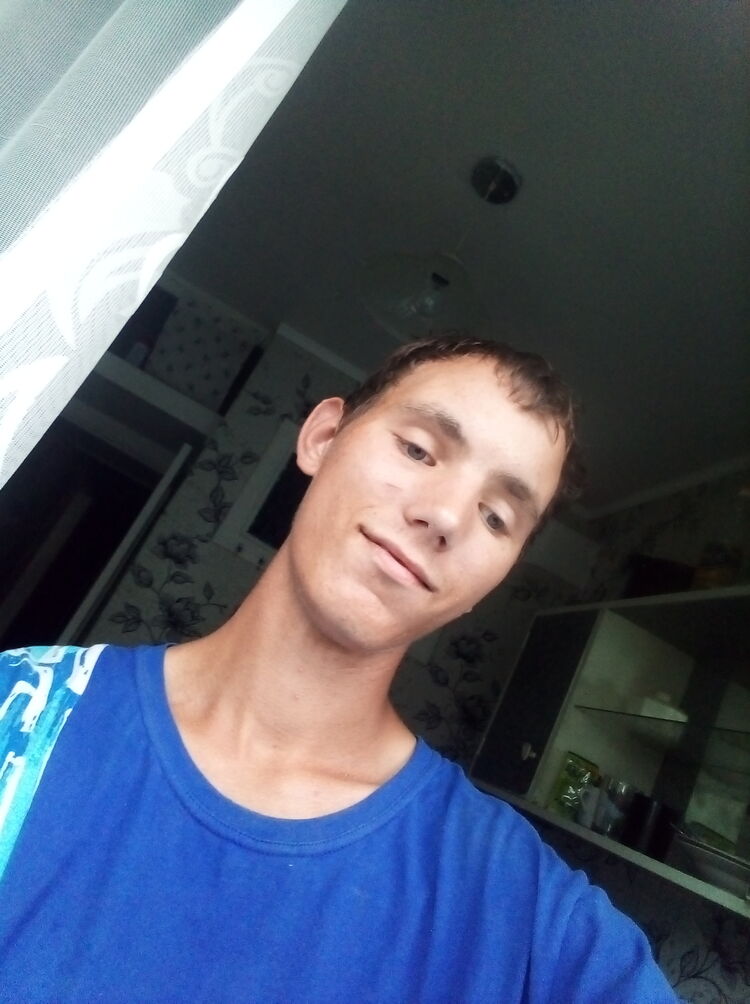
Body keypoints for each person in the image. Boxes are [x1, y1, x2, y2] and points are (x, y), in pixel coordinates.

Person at [0, 336, 679, 1002]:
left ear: (492, 580)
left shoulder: (520, 908)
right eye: (418, 450)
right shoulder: (22, 711)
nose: (446, 515)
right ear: (323, 438)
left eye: (496, 518)